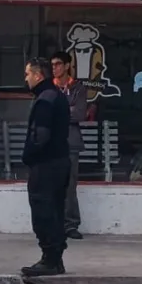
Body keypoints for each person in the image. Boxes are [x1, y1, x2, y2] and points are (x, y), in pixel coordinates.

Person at [21, 57, 72, 277]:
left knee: (43, 211)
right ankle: (55, 258)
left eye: (27, 74)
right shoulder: (56, 96)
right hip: (60, 162)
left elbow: (40, 136)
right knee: (56, 210)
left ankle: (50, 259)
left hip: (46, 164)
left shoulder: (45, 100)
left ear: (37, 75)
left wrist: (28, 156)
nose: (26, 78)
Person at [51, 50, 87, 240]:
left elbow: (80, 113)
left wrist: (58, 111)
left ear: (66, 66)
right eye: (53, 65)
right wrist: (67, 109)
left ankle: (71, 224)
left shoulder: (78, 88)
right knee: (51, 184)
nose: (55, 68)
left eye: (58, 64)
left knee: (70, 185)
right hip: (51, 143)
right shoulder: (49, 87)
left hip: (71, 142)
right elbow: (44, 113)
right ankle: (54, 223)